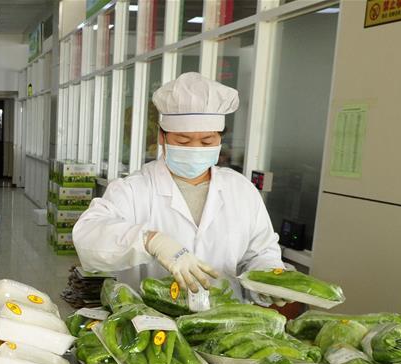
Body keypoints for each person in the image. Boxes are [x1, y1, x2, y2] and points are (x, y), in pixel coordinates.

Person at [73, 72, 286, 306]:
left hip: (226, 323)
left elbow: (261, 252)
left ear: (220, 140)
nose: (195, 148)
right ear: (162, 137)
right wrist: (150, 241)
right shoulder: (133, 189)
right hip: (152, 325)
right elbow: (87, 238)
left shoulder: (241, 191)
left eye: (207, 141)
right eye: (183, 141)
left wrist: (267, 280)